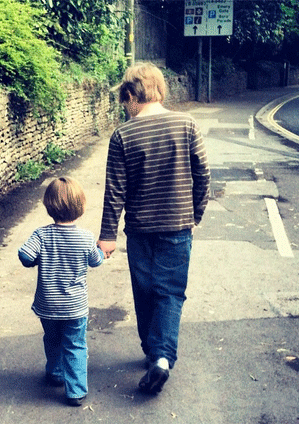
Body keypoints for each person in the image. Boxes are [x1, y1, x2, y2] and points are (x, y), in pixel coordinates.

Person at [97, 62, 210, 395]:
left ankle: (154, 350)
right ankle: (160, 357)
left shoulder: (123, 135)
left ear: (132, 95)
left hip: (140, 229)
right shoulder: (186, 124)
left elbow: (114, 189)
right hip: (178, 226)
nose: (126, 109)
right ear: (160, 90)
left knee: (145, 291)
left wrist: (107, 235)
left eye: (125, 101)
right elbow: (203, 175)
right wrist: (196, 215)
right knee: (170, 292)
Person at [18, 176, 104, 406]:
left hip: (48, 305)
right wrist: (103, 253)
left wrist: (34, 260)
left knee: (53, 339)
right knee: (75, 344)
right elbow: (95, 261)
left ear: (49, 206)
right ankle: (75, 391)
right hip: (75, 307)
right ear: (81, 207)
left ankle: (55, 373)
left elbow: (25, 255)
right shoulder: (85, 237)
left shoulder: (41, 235)